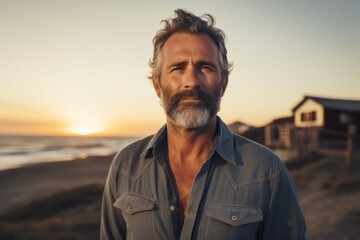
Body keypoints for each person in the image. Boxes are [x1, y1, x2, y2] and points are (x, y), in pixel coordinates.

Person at [101, 9, 306, 240]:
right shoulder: (125, 166)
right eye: (178, 68)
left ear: (223, 84)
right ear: (157, 85)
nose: (191, 81)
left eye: (205, 67)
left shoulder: (267, 171)